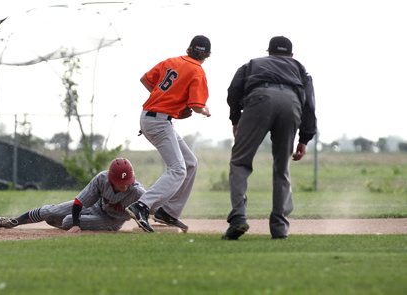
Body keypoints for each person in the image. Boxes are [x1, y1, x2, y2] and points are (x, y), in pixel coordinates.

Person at [223, 36, 317, 240]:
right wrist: (305, 138)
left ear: (269, 51)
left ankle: (238, 218)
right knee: (282, 168)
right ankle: (279, 227)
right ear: (291, 55)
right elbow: (309, 104)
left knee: (240, 162)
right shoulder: (300, 68)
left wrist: (236, 119)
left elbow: (233, 92)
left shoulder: (252, 64)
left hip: (259, 98)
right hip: (291, 103)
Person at [125, 35, 212, 233]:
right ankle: (141, 206)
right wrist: (205, 110)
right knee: (178, 169)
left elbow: (145, 80)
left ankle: (168, 212)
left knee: (190, 163)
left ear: (189, 49)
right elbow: (197, 106)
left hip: (153, 118)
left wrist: (163, 99)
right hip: (158, 122)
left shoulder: (172, 61)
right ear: (207, 55)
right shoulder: (197, 70)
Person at [0, 158, 145, 232]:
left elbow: (157, 209)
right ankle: (12, 222)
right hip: (95, 207)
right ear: (111, 179)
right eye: (119, 182)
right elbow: (79, 203)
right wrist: (78, 224)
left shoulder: (138, 192)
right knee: (50, 211)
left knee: (69, 220)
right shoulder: (102, 179)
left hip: (110, 221)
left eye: (128, 181)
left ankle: (65, 224)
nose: (125, 185)